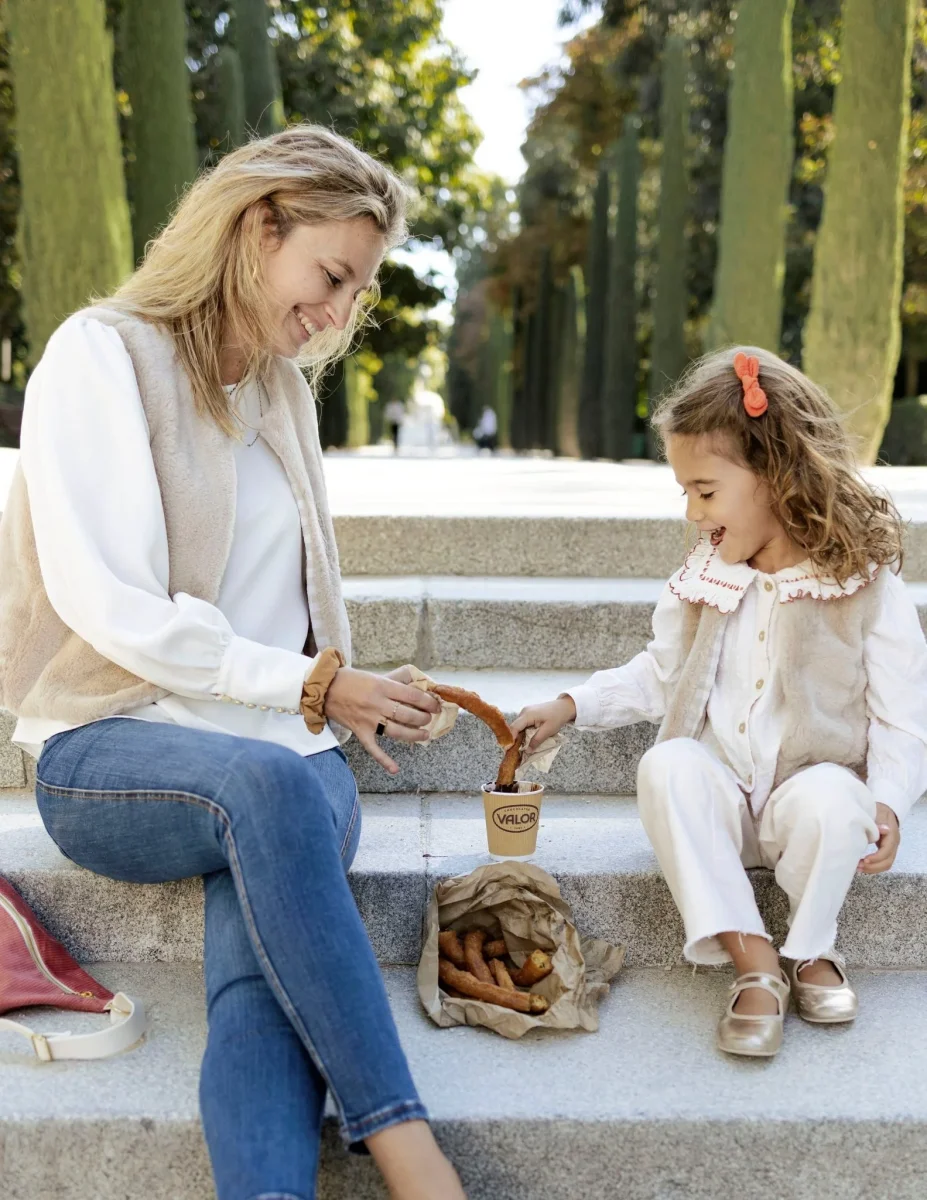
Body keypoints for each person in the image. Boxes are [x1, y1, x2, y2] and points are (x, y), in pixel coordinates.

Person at [0, 126, 466, 1200]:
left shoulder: (282, 396)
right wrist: (308, 687)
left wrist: (350, 692)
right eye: (332, 275)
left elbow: (283, 624)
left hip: (283, 760)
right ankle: (413, 1156)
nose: (341, 314)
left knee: (256, 972)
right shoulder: (101, 355)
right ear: (260, 228)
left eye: (358, 291)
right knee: (264, 790)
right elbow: (108, 602)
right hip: (110, 748)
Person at [512, 347, 927, 1059]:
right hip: (724, 809)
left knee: (837, 797)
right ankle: (754, 962)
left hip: (809, 806)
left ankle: (814, 950)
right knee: (667, 766)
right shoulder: (701, 578)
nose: (693, 513)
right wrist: (571, 704)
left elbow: (901, 718)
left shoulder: (862, 586)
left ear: (775, 474)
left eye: (704, 490)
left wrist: (886, 800)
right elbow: (659, 673)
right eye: (685, 493)